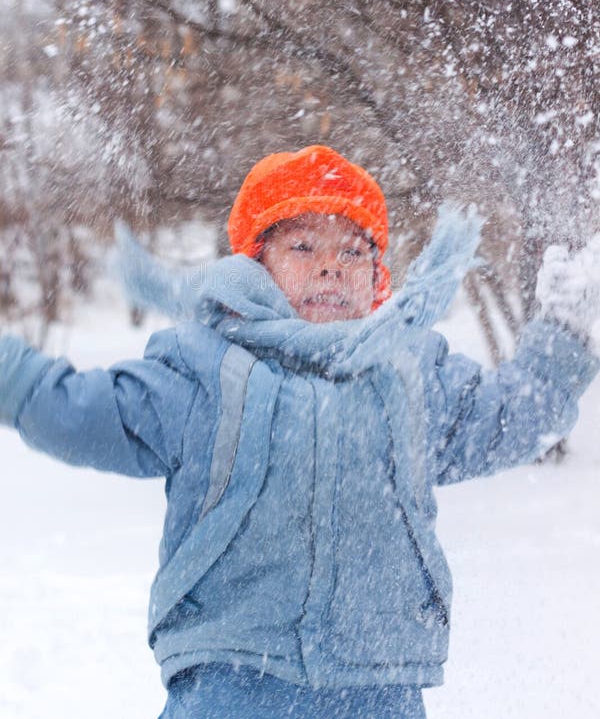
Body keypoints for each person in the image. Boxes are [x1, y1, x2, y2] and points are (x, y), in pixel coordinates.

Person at [1, 144, 599, 719]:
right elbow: (85, 412)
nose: (330, 267)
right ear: (256, 265)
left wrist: (566, 337)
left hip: (379, 678)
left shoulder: (412, 374)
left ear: (378, 277)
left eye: (354, 250)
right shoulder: (203, 367)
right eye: (304, 245)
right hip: (231, 674)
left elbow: (508, 416)